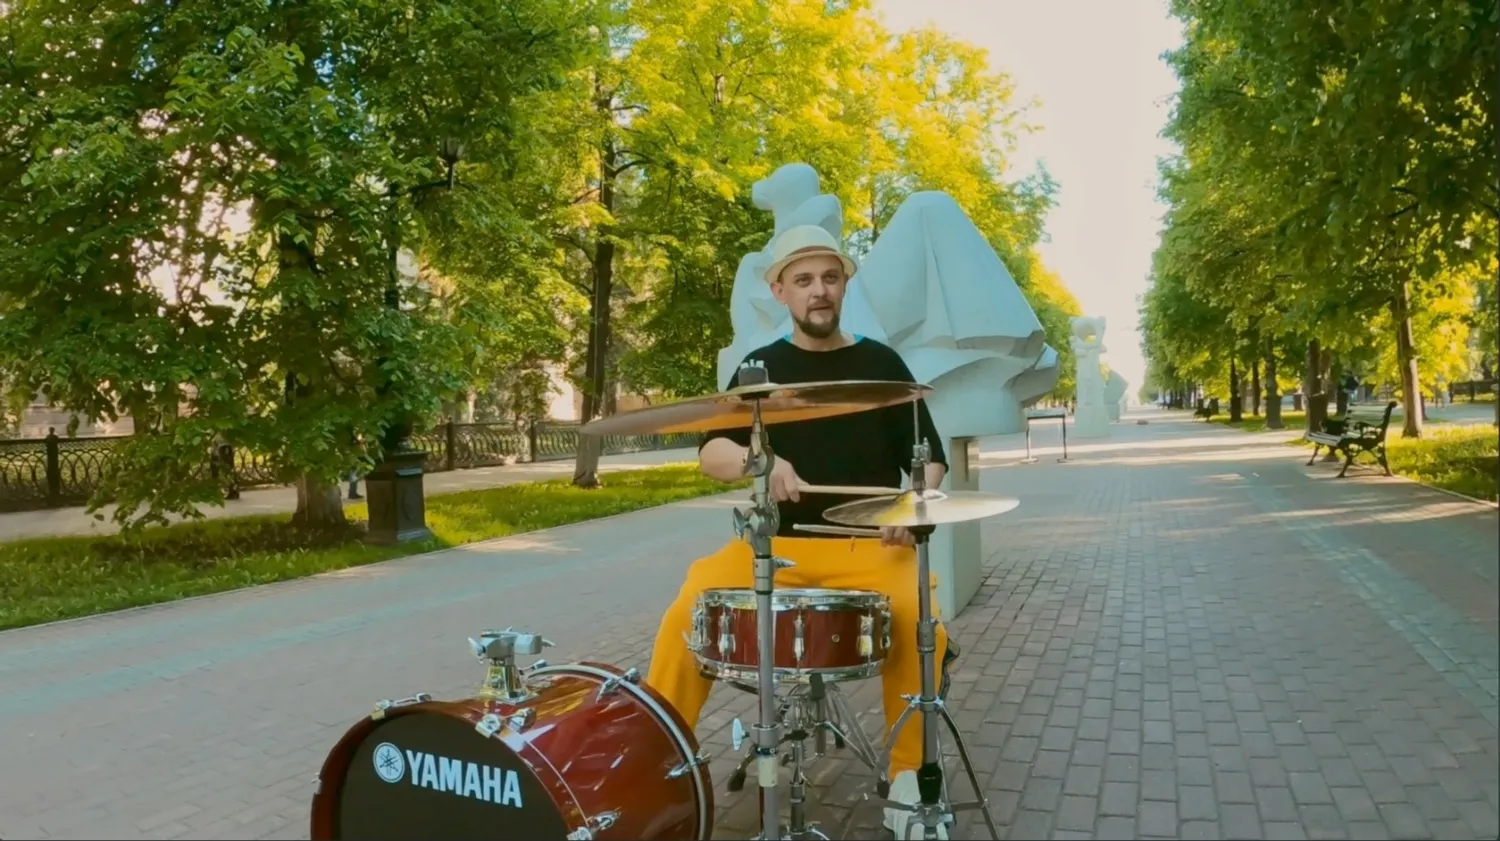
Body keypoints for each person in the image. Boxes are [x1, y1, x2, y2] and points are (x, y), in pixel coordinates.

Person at [645, 224, 955, 839]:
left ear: (844, 286)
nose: (819, 291)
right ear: (780, 291)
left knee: (923, 624)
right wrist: (759, 461)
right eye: (804, 279)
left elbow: (931, 462)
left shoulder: (881, 365)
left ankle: (908, 782)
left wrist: (907, 507)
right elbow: (712, 452)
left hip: (868, 546)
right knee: (687, 610)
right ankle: (656, 768)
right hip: (773, 545)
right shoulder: (760, 368)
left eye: (830, 278)